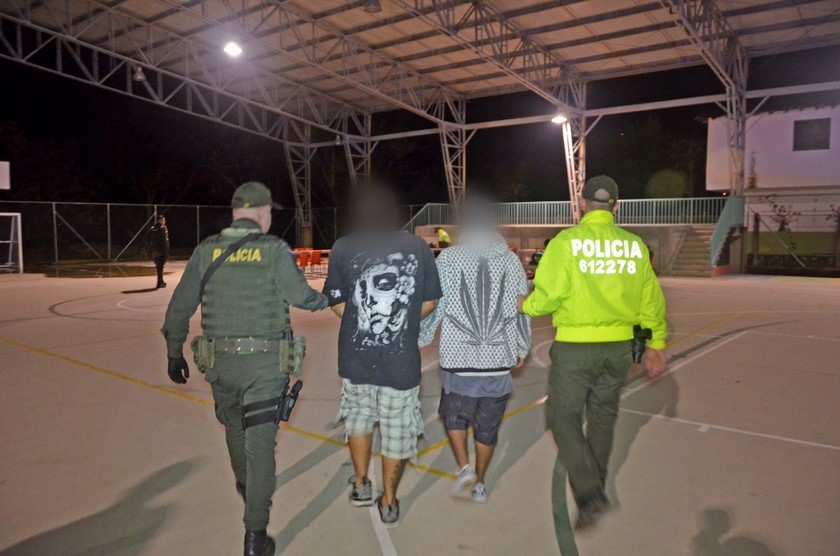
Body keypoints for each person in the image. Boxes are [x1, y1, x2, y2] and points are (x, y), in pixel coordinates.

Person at [161, 181, 329, 556]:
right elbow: (301, 296)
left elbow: (180, 306)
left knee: (235, 429)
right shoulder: (274, 250)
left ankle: (245, 486)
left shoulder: (206, 250)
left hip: (221, 365)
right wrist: (327, 299)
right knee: (261, 445)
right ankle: (255, 537)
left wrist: (174, 352)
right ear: (263, 213)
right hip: (266, 366)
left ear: (235, 213)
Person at [519, 175, 667, 534]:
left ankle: (588, 493)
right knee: (602, 416)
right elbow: (651, 300)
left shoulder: (566, 242)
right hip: (619, 350)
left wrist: (526, 305)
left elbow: (549, 296)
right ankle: (595, 490)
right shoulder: (634, 247)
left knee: (561, 416)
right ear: (617, 205)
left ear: (583, 202)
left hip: (576, 348)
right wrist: (657, 344)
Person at [324, 184, 441, 528]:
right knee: (397, 430)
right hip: (401, 364)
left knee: (358, 421)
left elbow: (335, 300)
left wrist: (360, 320)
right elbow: (430, 301)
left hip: (355, 361)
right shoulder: (418, 247)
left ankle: (362, 484)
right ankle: (389, 501)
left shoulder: (342, 247)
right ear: (394, 215)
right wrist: (400, 322)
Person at [420, 196, 531, 503]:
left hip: (458, 358)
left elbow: (434, 305)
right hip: (497, 359)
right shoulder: (511, 261)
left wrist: (421, 335)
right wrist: (521, 346)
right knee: (487, 427)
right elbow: (523, 307)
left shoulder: (448, 259)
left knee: (453, 415)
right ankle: (480, 482)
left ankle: (464, 467)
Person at [148, 214, 169, 288]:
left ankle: (161, 281)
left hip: (154, 250)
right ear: (159, 221)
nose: (164, 221)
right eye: (163, 220)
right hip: (161, 250)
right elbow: (164, 241)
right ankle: (159, 282)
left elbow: (148, 239)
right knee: (160, 266)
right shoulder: (163, 228)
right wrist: (166, 250)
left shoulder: (152, 228)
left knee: (159, 266)